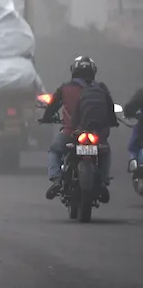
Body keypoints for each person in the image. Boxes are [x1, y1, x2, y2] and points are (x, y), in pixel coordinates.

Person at [39, 56, 119, 201]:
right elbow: (110, 110)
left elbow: (52, 106)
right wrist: (113, 122)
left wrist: (46, 118)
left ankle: (56, 178)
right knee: (105, 151)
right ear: (93, 71)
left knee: (55, 150)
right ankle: (103, 180)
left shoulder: (65, 88)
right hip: (97, 134)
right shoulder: (100, 88)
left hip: (71, 132)